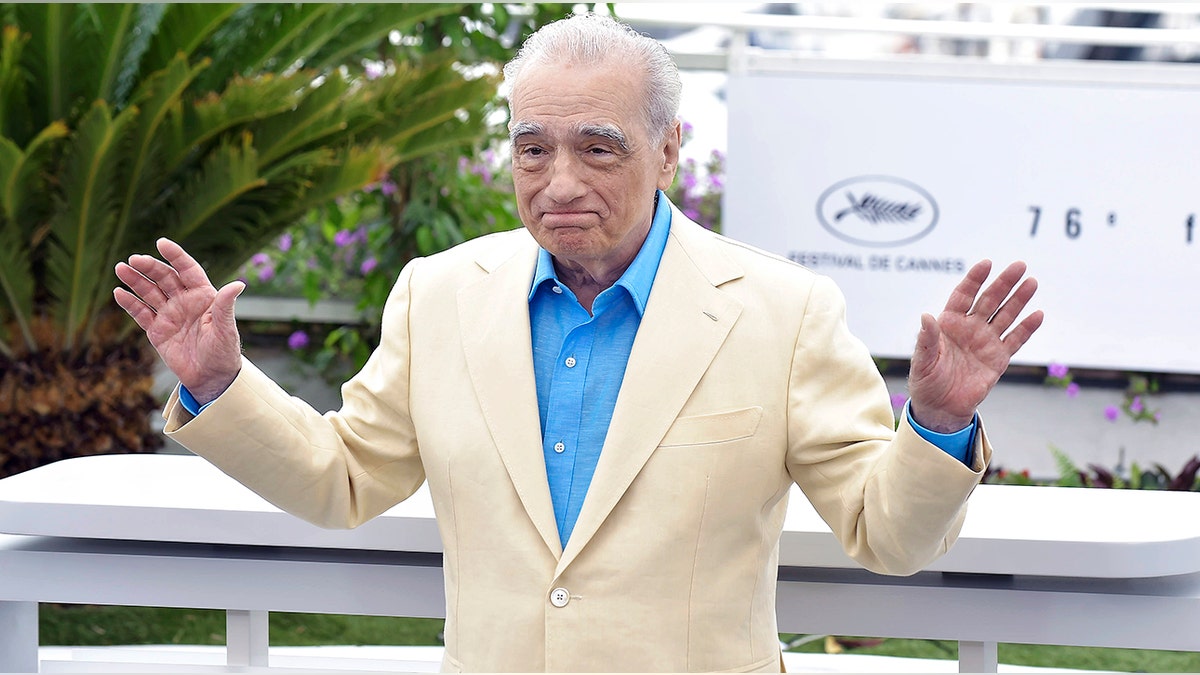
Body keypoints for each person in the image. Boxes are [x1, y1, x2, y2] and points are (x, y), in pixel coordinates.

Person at [113, 12, 1042, 673]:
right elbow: (342, 478)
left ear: (668, 150)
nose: (558, 182)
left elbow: (888, 535)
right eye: (532, 148)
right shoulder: (437, 295)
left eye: (598, 148)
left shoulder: (782, 310)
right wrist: (221, 380)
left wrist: (937, 420)